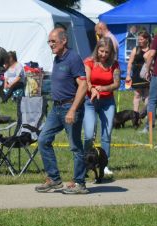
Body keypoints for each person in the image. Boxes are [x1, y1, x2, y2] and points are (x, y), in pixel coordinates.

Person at [35, 28, 88, 195]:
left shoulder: (73, 58)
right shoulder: (57, 59)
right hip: (56, 108)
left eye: (53, 41)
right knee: (43, 140)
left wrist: (72, 110)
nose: (50, 44)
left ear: (64, 40)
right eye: (49, 42)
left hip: (70, 107)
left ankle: (80, 183)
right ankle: (55, 180)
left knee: (75, 146)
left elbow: (84, 85)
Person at [83, 38, 119, 182]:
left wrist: (103, 88)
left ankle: (104, 165)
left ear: (111, 53)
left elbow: (116, 83)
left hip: (107, 101)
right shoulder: (89, 62)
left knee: (107, 133)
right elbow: (87, 81)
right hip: (90, 101)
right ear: (97, 49)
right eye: (101, 51)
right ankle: (85, 163)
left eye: (107, 52)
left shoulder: (114, 65)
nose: (103, 54)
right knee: (89, 134)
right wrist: (93, 89)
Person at [125, 30, 150, 116]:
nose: (139, 41)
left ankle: (146, 115)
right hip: (136, 74)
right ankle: (135, 116)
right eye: (138, 39)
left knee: (147, 95)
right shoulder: (136, 49)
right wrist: (128, 75)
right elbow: (130, 63)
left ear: (147, 39)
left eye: (141, 39)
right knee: (137, 94)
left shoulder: (151, 49)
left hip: (148, 73)